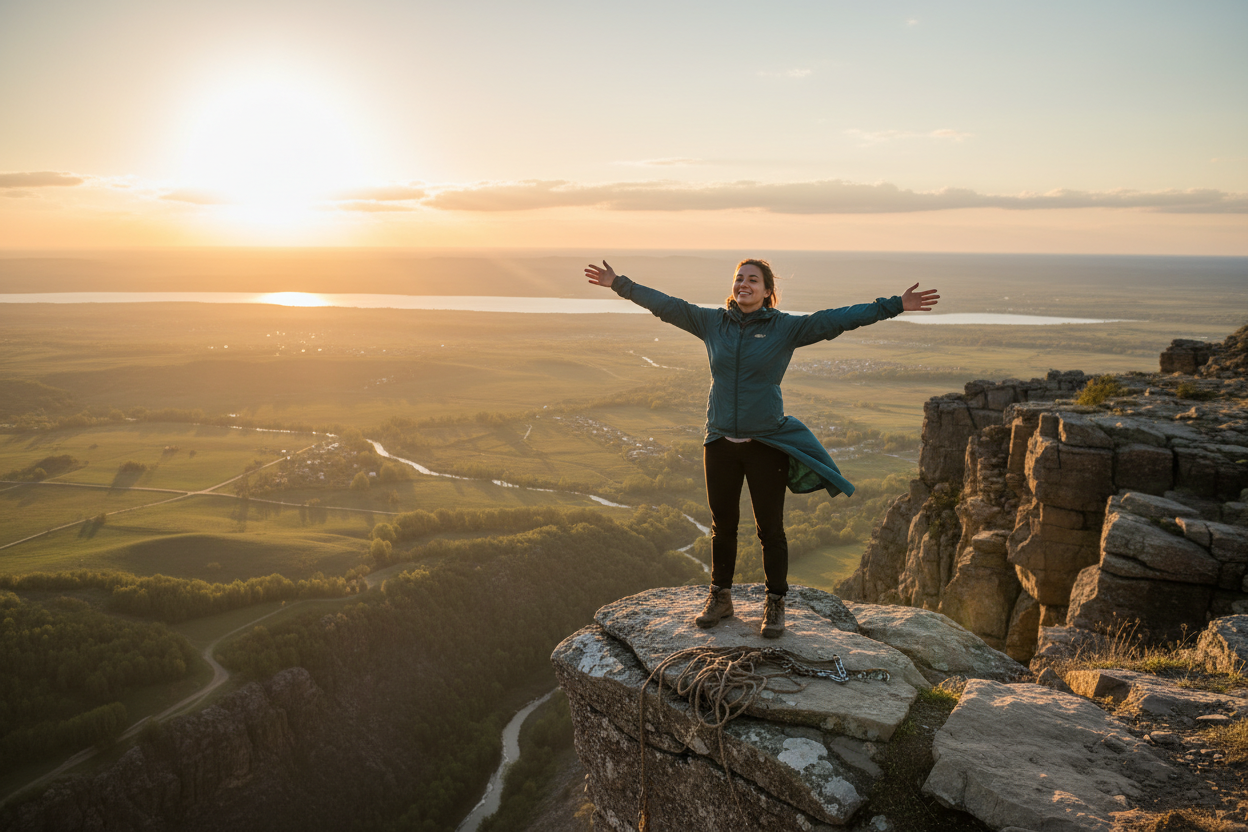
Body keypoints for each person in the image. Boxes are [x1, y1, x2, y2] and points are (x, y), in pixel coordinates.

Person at [585, 258, 938, 638]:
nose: (744, 284)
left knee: (770, 529)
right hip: (719, 440)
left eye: (753, 280)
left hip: (765, 443)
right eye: (739, 279)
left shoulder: (785, 328)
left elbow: (836, 318)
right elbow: (666, 305)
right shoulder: (712, 324)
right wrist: (618, 283)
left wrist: (895, 305)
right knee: (723, 527)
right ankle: (720, 597)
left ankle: (775, 604)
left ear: (768, 290)